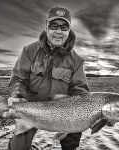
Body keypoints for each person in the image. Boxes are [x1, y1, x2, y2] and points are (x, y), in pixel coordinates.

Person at [7, 6, 89, 150]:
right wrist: (17, 95)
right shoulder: (29, 51)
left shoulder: (77, 60)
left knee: (74, 137)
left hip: (64, 112)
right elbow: (19, 79)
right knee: (17, 147)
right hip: (31, 109)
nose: (59, 31)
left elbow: (79, 90)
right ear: (46, 27)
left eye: (64, 27)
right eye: (54, 26)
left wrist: (89, 115)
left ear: (69, 31)